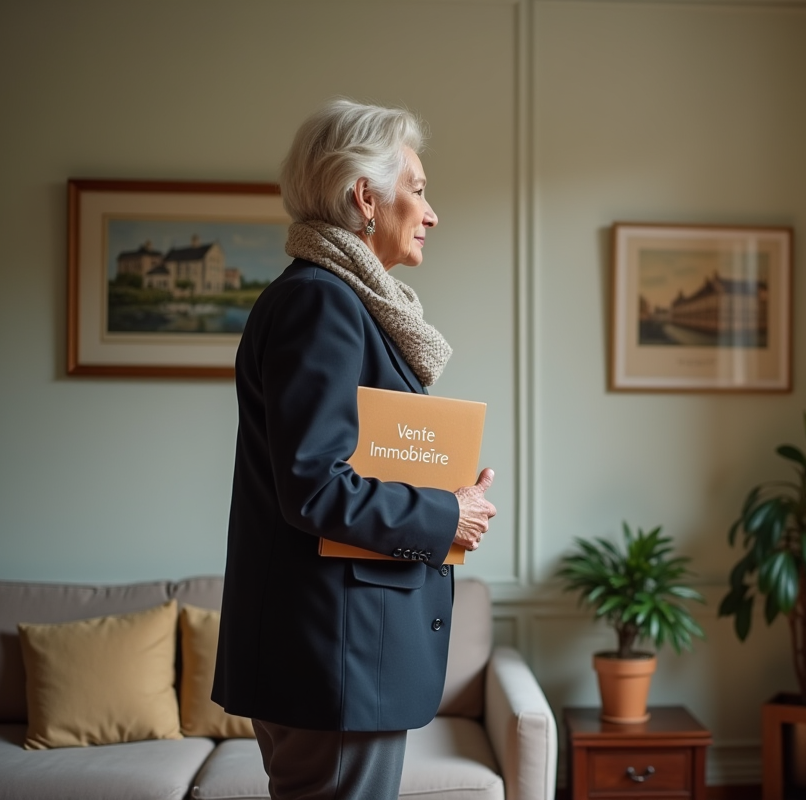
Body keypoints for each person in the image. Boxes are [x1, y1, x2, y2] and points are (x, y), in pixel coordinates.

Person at [212, 98, 497, 800]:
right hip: (334, 659)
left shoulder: (329, 299)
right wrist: (443, 515)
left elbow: (340, 465)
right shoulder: (323, 302)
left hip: (331, 656)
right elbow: (313, 483)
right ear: (365, 198)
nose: (432, 214)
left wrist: (448, 492)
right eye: (419, 191)